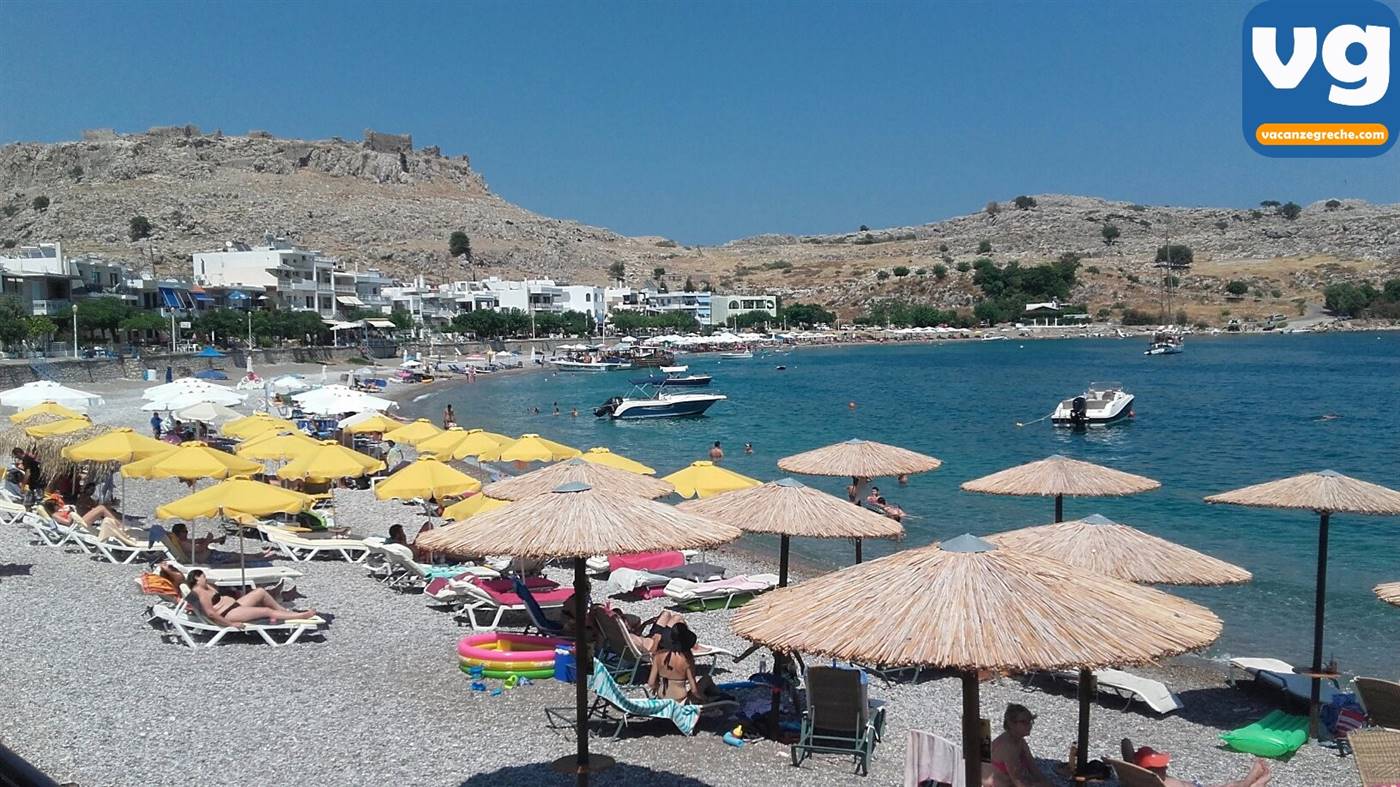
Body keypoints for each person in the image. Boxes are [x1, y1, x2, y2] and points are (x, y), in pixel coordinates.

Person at [186, 569, 317, 625]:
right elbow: (211, 614)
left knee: (260, 592)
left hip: (234, 607)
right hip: (229, 614)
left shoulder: (204, 588)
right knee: (266, 611)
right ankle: (300, 616)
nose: (206, 578)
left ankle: (284, 612)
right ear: (197, 578)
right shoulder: (200, 593)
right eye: (203, 576)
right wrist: (231, 624)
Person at [1123, 742, 1271, 787]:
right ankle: (1254, 781)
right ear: (1151, 769)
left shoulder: (1141, 778)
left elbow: (1127, 754)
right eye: (1162, 766)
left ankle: (1254, 781)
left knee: (1229, 786)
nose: (1166, 767)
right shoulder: (1156, 782)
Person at [646, 622, 725, 704]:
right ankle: (720, 696)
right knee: (706, 679)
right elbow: (694, 690)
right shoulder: (686, 660)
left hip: (662, 699)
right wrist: (704, 699)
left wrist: (658, 687)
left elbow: (651, 683)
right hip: (680, 701)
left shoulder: (658, 656)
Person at [990, 704, 1052, 787]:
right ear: (1011, 724)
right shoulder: (1007, 747)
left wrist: (1045, 782)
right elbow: (1019, 782)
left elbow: (1033, 767)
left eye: (1030, 721)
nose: (1029, 725)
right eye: (1024, 722)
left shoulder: (1019, 740)